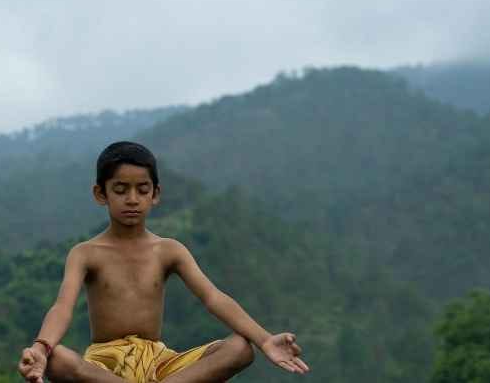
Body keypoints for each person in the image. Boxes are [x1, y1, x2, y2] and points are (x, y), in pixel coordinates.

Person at [17, 141, 309, 383]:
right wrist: (41, 347)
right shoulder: (85, 252)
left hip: (162, 366)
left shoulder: (169, 250)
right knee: (56, 359)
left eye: (142, 190)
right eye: (120, 190)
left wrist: (265, 339)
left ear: (155, 194)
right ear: (100, 193)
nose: (132, 199)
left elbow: (213, 297)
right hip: (105, 370)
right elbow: (62, 307)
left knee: (240, 348)